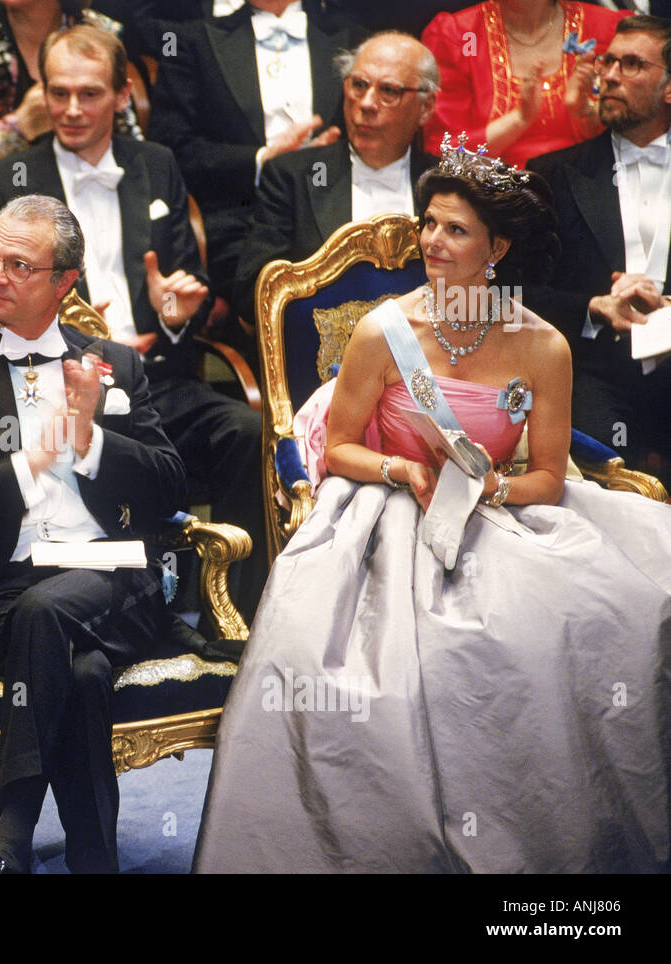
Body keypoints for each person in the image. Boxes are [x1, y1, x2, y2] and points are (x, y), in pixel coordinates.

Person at [193, 139, 671, 872]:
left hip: (500, 513)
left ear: (497, 247)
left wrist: (490, 488)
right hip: (384, 509)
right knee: (392, 661)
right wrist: (398, 469)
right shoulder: (385, 330)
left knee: (607, 613)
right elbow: (338, 448)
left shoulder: (542, 346)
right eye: (429, 223)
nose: (431, 242)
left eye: (455, 230)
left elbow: (549, 474)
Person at [0, 195, 190, 874]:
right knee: (79, 670)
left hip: (115, 579)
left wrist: (87, 443)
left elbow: (171, 488)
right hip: (2, 592)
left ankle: (12, 835)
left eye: (18, 265)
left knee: (48, 613)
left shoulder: (116, 366)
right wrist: (28, 463)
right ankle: (94, 860)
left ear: (64, 283)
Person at [0, 23, 267, 620]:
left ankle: (232, 616)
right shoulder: (3, 181)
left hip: (154, 379)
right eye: (58, 93)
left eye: (90, 94)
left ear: (124, 94)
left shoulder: (157, 165)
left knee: (246, 432)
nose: (71, 110)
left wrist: (178, 311)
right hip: (48, 391)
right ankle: (117, 609)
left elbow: (188, 285)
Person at [527, 14, 671, 485]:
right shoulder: (552, 175)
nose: (608, 75)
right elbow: (517, 292)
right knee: (601, 488)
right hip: (593, 370)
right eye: (609, 61)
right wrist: (593, 306)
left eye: (632, 65)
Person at [148, 1, 365, 312]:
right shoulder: (193, 41)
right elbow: (171, 152)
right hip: (243, 224)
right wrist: (264, 159)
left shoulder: (354, 39)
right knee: (282, 304)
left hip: (342, 214)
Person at [229, 31, 439, 325]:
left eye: (388, 91)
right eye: (359, 85)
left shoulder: (448, 184)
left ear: (426, 107)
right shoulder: (293, 177)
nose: (366, 103)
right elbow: (251, 292)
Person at [0, 0, 141, 205]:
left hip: (91, 194)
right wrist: (18, 128)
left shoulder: (100, 31)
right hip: (0, 206)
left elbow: (130, 147)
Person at [422, 0, 629, 169]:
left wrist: (583, 114)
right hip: (489, 202)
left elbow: (638, 132)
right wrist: (520, 119)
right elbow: (443, 154)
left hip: (591, 190)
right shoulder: (459, 35)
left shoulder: (610, 30)